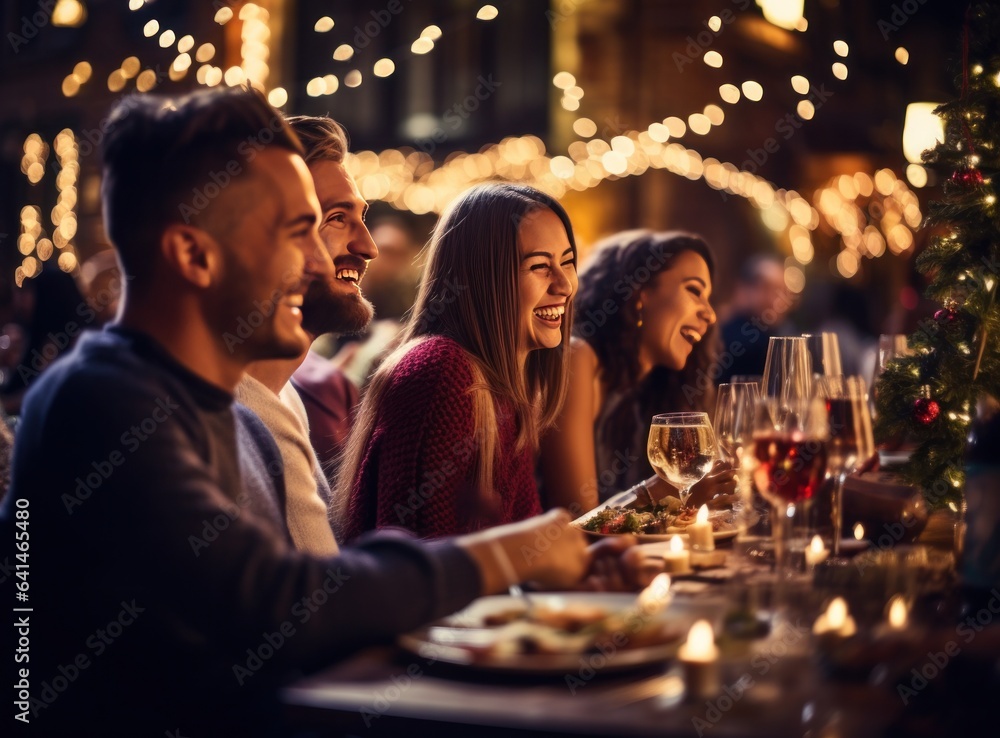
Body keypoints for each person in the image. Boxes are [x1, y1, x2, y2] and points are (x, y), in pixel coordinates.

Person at [0, 87, 606, 738]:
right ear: (193, 254)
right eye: (297, 233)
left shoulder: (236, 413)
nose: (324, 261)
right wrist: (508, 555)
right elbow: (272, 605)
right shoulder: (97, 400)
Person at [335, 184, 578, 541]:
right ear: (484, 279)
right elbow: (422, 570)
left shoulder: (507, 385)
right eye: (540, 265)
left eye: (568, 262)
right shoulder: (442, 371)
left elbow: (528, 545)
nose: (564, 284)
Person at [235, 114, 377, 554]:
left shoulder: (284, 395)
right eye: (336, 218)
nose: (367, 246)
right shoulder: (226, 413)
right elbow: (319, 607)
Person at [540, 230, 728, 511]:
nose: (710, 314)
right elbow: (574, 520)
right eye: (694, 290)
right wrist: (671, 489)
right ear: (640, 292)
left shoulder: (655, 392)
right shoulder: (577, 358)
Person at [716, 253, 795, 384]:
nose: (777, 300)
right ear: (742, 289)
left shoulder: (777, 332)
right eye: (767, 289)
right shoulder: (745, 339)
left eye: (782, 291)